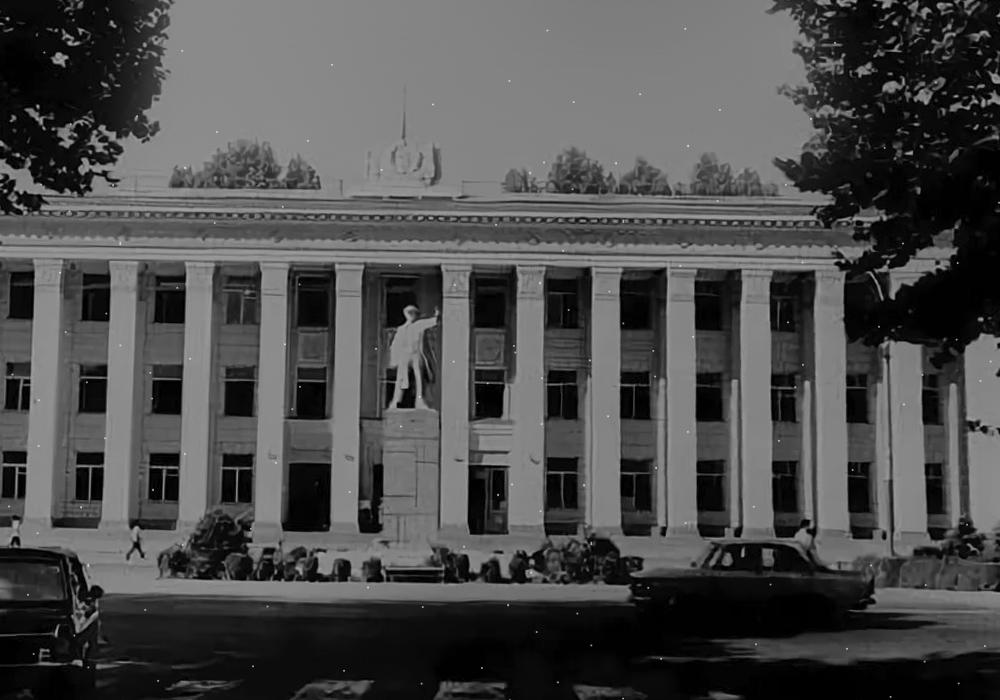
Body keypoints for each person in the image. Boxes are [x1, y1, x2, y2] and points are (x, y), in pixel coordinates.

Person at [387, 304, 440, 410]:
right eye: (409, 313)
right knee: (401, 379)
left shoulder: (419, 325)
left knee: (419, 378)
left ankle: (420, 401)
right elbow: (396, 344)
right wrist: (394, 359)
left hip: (416, 354)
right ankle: (396, 400)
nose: (411, 315)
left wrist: (437, 314)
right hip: (404, 355)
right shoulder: (401, 329)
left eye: (413, 313)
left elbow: (433, 321)